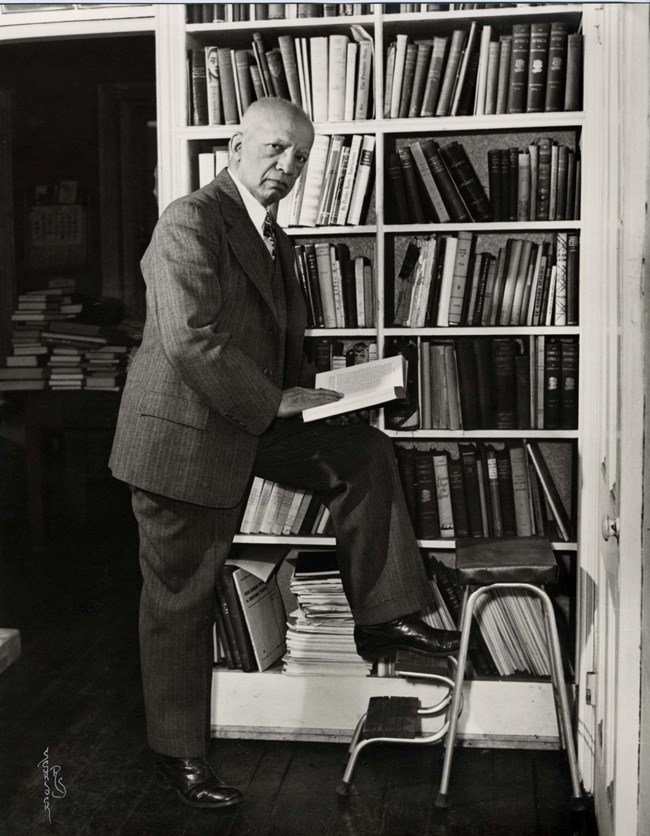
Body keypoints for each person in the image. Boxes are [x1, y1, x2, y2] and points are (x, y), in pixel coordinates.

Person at [109, 97, 460, 810]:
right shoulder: (190, 219)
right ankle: (176, 759)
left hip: (245, 419)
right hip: (181, 438)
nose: (286, 167)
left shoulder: (277, 236)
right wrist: (277, 401)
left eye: (299, 157)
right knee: (181, 602)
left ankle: (382, 612)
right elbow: (190, 341)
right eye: (273, 149)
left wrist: (347, 393)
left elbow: (273, 348)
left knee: (361, 450)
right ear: (236, 146)